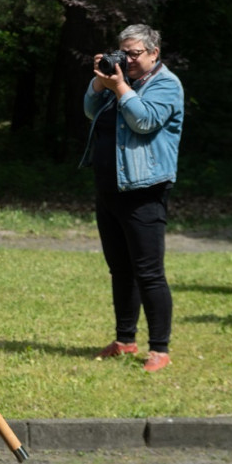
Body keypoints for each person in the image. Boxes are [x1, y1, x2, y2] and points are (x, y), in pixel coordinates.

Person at [79, 24, 184, 373]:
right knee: (120, 269)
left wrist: (120, 86)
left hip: (144, 192)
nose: (128, 59)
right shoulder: (119, 81)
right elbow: (90, 110)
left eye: (134, 53)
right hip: (109, 189)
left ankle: (160, 349)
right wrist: (100, 81)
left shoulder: (166, 84)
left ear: (154, 53)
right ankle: (125, 340)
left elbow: (144, 120)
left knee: (148, 272)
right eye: (123, 53)